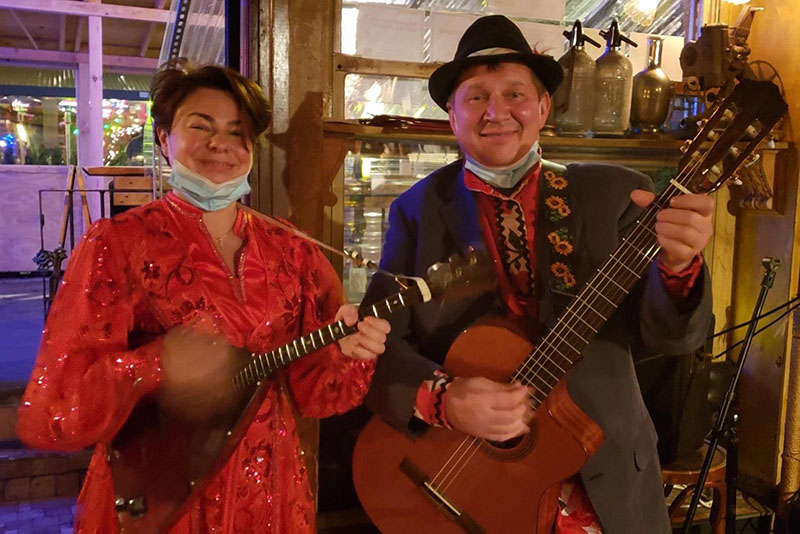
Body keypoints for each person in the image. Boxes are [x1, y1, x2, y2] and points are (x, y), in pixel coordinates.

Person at [362, 15, 713, 533]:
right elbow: (374, 343)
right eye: (476, 96)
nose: (496, 112)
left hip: (605, 477)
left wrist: (680, 265)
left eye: (515, 94)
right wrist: (443, 398)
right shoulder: (417, 210)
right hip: (472, 480)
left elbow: (672, 338)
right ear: (451, 115)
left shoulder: (616, 195)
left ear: (544, 107)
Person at [16, 62, 390, 533]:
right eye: (201, 126)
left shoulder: (294, 249)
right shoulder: (117, 242)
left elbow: (313, 395)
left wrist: (344, 351)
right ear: (163, 137)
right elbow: (54, 409)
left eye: (238, 132)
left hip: (269, 487)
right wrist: (154, 364)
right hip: (161, 494)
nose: (221, 144)